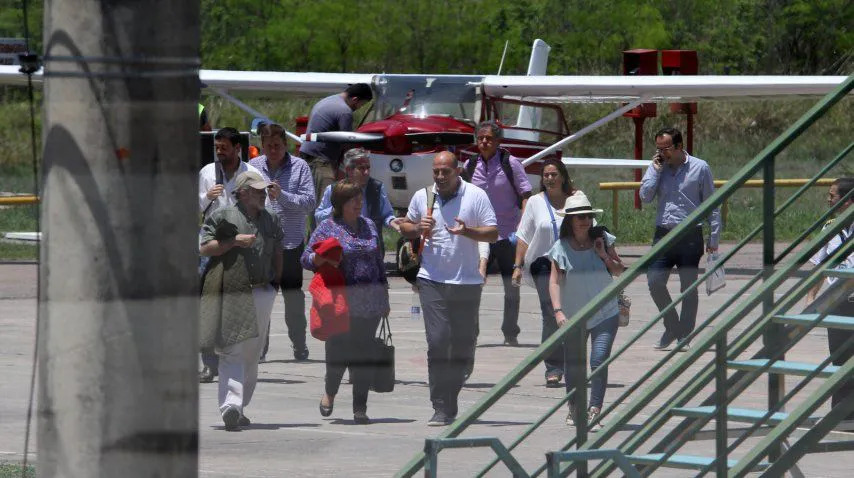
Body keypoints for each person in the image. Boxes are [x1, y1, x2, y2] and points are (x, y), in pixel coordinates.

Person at [399, 151, 498, 426]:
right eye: (436, 171)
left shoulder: (476, 196)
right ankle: (441, 405)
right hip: (432, 279)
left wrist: (468, 232)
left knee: (462, 346)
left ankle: (451, 393)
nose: (440, 177)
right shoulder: (423, 196)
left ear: (458, 171)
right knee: (439, 341)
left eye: (446, 172)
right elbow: (405, 227)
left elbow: (493, 232)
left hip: (467, 282)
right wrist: (418, 227)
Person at [302, 180, 391, 425]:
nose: (359, 203)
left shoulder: (370, 225)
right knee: (338, 354)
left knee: (363, 354)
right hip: (339, 303)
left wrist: (384, 296)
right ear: (340, 204)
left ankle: (359, 408)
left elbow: (378, 263)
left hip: (369, 304)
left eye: (360, 198)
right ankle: (330, 392)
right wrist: (320, 258)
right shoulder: (327, 228)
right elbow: (306, 258)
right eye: (353, 200)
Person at [199, 171, 283, 430]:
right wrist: (233, 241)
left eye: (263, 190)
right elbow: (204, 247)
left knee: (252, 353)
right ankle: (230, 407)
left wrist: (275, 283)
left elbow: (278, 250)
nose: (262, 194)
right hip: (235, 290)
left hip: (263, 291)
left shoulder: (270, 219)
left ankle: (240, 406)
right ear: (243, 192)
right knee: (233, 349)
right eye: (257, 190)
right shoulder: (224, 215)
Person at [547, 194, 625, 430]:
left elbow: (620, 270)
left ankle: (594, 410)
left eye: (589, 216)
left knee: (598, 360)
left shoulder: (602, 238)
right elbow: (554, 281)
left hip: (605, 312)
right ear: (569, 220)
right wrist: (558, 311)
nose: (586, 220)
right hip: (573, 316)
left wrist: (603, 254)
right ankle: (574, 406)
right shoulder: (560, 247)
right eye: (580, 216)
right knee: (574, 365)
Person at [640, 127, 721, 351]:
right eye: (658, 148)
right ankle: (672, 325)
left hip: (690, 235)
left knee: (688, 287)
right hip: (664, 234)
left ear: (678, 146)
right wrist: (655, 171)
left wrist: (713, 238)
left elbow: (712, 204)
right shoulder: (657, 166)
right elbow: (645, 197)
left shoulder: (700, 167)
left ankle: (684, 334)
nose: (661, 153)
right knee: (654, 281)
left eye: (665, 148)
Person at [198, 126, 265, 383]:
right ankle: (209, 363)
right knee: (206, 300)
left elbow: (263, 207)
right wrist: (207, 196)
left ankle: (245, 352)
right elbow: (195, 205)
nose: (220, 152)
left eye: (225, 148)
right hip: (212, 242)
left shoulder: (252, 173)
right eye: (217, 147)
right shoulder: (207, 173)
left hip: (242, 242)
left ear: (238, 149)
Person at [513, 159, 584, 387]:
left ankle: (573, 361)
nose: (550, 179)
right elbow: (524, 235)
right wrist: (517, 265)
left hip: (573, 262)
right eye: (546, 175)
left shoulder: (577, 198)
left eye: (554, 174)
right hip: (543, 264)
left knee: (573, 313)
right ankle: (553, 366)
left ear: (562, 176)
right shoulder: (535, 202)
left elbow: (588, 226)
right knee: (551, 313)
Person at [249, 123, 316, 361]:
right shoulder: (253, 167)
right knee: (262, 299)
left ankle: (299, 343)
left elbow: (309, 203)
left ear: (285, 144)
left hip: (290, 243)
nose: (273, 150)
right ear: (261, 146)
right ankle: (260, 349)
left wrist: (282, 196)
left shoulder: (300, 167)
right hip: (262, 246)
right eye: (268, 146)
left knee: (293, 298)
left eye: (277, 145)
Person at [464, 120, 533, 346]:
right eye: (481, 138)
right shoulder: (470, 166)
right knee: (473, 285)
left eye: (489, 138)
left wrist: (523, 226)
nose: (484, 142)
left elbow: (525, 195)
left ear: (498, 141)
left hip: (507, 234)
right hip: (480, 235)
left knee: (511, 286)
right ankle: (471, 332)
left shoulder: (510, 163)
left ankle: (510, 332)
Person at [805, 177, 853, 422]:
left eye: (833, 195)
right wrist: (811, 297)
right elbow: (820, 267)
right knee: (840, 359)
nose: (828, 199)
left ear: (848, 200)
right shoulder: (830, 227)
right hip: (838, 302)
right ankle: (841, 415)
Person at [299, 83, 374, 220]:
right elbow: (347, 142)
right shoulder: (345, 111)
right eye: (361, 105)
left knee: (313, 206)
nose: (358, 108)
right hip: (322, 161)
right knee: (326, 204)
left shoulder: (327, 101)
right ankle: (324, 239)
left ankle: (313, 238)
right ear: (355, 99)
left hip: (306, 157)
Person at [314, 147, 402, 244]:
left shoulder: (377, 188)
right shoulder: (334, 189)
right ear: (348, 170)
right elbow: (318, 216)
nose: (366, 172)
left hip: (371, 247)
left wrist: (392, 221)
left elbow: (386, 214)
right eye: (361, 168)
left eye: (368, 167)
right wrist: (336, 210)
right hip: (341, 247)